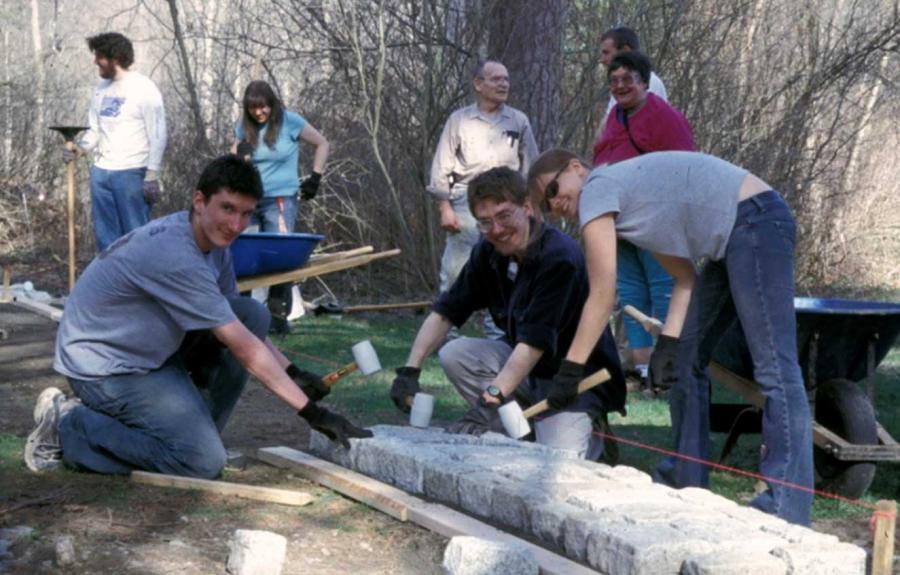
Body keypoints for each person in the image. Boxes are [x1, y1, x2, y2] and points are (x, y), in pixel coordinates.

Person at [24, 155, 370, 478]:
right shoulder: (176, 254)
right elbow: (245, 351)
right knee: (201, 461)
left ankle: (189, 439)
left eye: (246, 213)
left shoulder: (214, 246)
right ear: (199, 201)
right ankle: (71, 424)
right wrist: (313, 412)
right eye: (227, 208)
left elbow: (240, 329)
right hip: (103, 368)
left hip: (149, 352)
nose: (236, 224)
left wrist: (292, 371)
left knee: (250, 313)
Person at [527, 150, 813, 525]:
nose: (555, 204)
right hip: (735, 237)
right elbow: (685, 279)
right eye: (546, 206)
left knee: (775, 368)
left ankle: (787, 507)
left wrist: (570, 371)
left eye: (553, 189)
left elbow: (602, 294)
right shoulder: (633, 206)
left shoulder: (598, 187)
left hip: (755, 220)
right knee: (685, 362)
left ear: (577, 168)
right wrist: (669, 344)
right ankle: (686, 481)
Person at [390, 167, 625, 460]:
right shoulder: (488, 252)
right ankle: (519, 429)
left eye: (504, 216)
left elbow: (533, 344)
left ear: (526, 207)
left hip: (571, 380)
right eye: (485, 222)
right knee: (456, 354)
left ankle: (596, 437)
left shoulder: (558, 257)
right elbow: (446, 312)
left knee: (557, 462)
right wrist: (410, 370)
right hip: (526, 368)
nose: (496, 230)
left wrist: (489, 401)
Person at [592, 52, 695, 391]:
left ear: (644, 83)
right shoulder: (614, 117)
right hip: (618, 221)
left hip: (656, 219)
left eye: (628, 80)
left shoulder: (662, 116)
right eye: (615, 81)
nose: (621, 86)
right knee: (631, 293)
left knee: (664, 287)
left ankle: (666, 372)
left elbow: (683, 166)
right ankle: (641, 370)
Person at [428, 60, 539, 338]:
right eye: (496, 79)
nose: (504, 84)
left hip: (508, 203)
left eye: (506, 80)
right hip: (466, 203)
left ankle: (500, 335)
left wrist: (529, 206)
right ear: (479, 84)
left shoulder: (518, 120)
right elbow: (442, 164)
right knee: (456, 270)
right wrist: (444, 207)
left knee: (505, 269)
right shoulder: (459, 120)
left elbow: (531, 166)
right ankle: (446, 335)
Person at [232, 80, 330, 333]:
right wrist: (238, 151)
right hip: (250, 200)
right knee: (245, 256)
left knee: (280, 255)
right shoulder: (244, 126)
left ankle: (277, 317)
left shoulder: (290, 121)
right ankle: (243, 316)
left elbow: (323, 144)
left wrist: (315, 177)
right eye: (253, 108)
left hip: (280, 200)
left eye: (263, 107)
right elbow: (233, 155)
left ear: (271, 104)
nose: (258, 113)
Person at [65, 32, 167, 252]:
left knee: (137, 239)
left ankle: (140, 285)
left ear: (115, 58)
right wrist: (79, 150)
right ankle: (111, 286)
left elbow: (158, 134)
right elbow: (94, 131)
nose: (95, 61)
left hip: (131, 173)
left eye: (99, 56)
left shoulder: (144, 88)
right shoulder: (101, 89)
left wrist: (151, 176)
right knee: (106, 240)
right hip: (101, 173)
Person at [598, 27, 667, 117]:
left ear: (625, 51)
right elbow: (610, 123)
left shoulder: (649, 82)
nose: (602, 60)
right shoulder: (621, 85)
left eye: (606, 53)